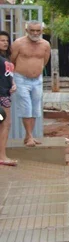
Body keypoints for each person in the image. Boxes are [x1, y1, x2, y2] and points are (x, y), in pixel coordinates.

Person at [10, 21, 50, 148]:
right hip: (21, 78)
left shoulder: (45, 44)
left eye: (38, 30)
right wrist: (12, 79)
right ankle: (30, 136)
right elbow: (11, 62)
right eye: (32, 30)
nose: (35, 33)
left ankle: (29, 136)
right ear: (27, 30)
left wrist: (35, 70)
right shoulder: (18, 43)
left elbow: (45, 60)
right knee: (26, 107)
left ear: (42, 31)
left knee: (35, 108)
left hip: (37, 80)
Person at [0, 30, 16, 166]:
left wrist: (13, 84)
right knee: (5, 124)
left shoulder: (6, 57)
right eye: (1, 40)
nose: (5, 43)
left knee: (4, 124)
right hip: (1, 96)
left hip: (6, 94)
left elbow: (8, 75)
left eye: (6, 40)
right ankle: (2, 156)